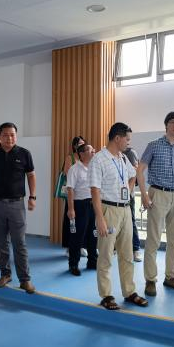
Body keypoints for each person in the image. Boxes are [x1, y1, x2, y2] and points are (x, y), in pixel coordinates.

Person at [89, 122, 147, 310]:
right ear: (117, 138)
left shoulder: (122, 158)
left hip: (125, 210)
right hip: (108, 210)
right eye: (127, 139)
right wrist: (100, 218)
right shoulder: (99, 159)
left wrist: (128, 191)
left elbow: (133, 174)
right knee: (106, 254)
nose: (128, 143)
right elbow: (95, 191)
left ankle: (129, 292)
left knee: (127, 254)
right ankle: (106, 295)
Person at [0, 123, 37, 294]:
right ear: (0, 136)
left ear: (16, 136)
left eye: (12, 135)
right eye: (5, 135)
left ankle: (25, 279)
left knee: (19, 242)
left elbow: (31, 176)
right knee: (1, 241)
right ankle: (5, 274)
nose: (9, 138)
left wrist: (32, 197)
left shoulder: (24, 153)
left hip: (17, 204)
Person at [137, 112, 174, 297]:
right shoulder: (154, 145)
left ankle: (171, 277)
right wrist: (144, 195)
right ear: (166, 125)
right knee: (153, 239)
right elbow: (140, 170)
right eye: (173, 122)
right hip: (158, 193)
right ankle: (150, 280)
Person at [66, 144, 98, 275]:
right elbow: (70, 190)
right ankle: (73, 264)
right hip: (80, 205)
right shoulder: (74, 169)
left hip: (94, 204)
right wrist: (71, 209)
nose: (94, 151)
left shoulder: (94, 168)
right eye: (91, 150)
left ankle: (92, 261)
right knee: (77, 236)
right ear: (82, 154)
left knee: (93, 234)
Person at [60, 136, 87, 256]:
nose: (81, 145)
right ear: (75, 146)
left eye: (83, 143)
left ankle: (81, 246)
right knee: (71, 220)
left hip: (84, 195)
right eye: (79, 143)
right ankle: (69, 247)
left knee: (83, 221)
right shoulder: (70, 157)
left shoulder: (86, 158)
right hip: (72, 194)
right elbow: (67, 173)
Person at [122, 144, 142, 262]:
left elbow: (135, 171)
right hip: (114, 196)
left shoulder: (130, 152)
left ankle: (136, 248)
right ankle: (116, 247)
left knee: (131, 220)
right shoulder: (109, 154)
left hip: (128, 194)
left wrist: (128, 193)